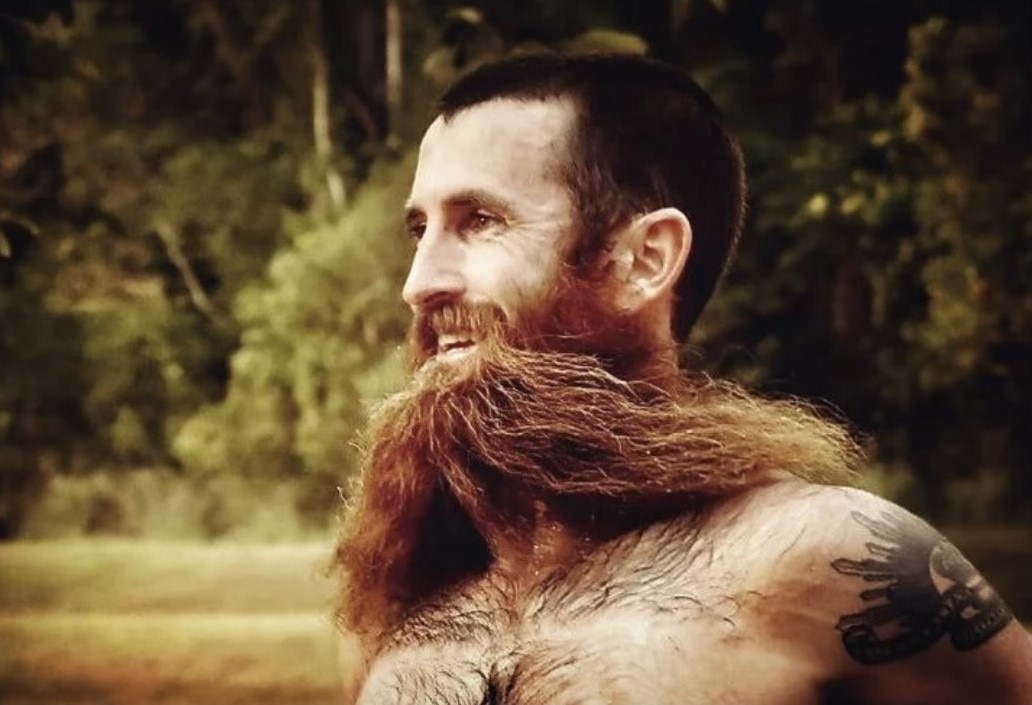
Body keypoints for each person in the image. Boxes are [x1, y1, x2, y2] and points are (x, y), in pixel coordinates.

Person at [331, 53, 1032, 704]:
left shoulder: (833, 557)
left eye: (481, 221)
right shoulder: (394, 600)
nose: (419, 285)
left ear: (645, 260)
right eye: (420, 230)